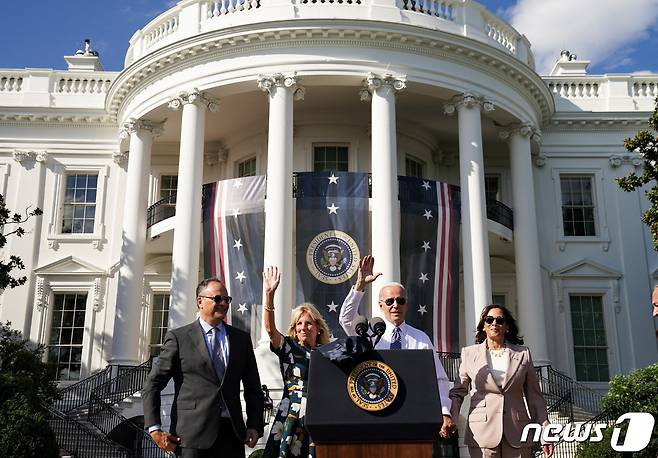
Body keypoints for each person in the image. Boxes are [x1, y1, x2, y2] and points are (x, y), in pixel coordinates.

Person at [143, 277, 264, 457]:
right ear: (200, 301)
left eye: (226, 299)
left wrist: (255, 424)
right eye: (217, 299)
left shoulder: (241, 339)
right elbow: (153, 384)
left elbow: (253, 387)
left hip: (232, 435)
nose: (223, 303)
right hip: (192, 437)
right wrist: (154, 428)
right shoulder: (179, 338)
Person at [338, 255, 454, 432]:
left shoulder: (420, 338)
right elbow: (346, 319)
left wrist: (445, 411)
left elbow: (438, 378)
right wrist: (360, 285)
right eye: (389, 301)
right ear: (381, 305)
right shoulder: (368, 333)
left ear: (406, 305)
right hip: (375, 409)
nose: (395, 305)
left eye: (400, 301)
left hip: (413, 411)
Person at [444, 304, 553, 458]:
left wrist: (545, 433)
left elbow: (535, 398)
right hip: (481, 433)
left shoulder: (523, 354)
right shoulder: (469, 354)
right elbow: (457, 392)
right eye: (489, 320)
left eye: (500, 320)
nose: (494, 323)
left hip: (518, 431)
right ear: (483, 326)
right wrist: (452, 417)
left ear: (506, 326)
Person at [262, 266, 331, 458]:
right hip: (291, 415)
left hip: (319, 414)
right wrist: (269, 295)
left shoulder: (327, 354)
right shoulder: (289, 347)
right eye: (299, 323)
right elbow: (269, 329)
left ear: (318, 328)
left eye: (308, 323)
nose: (303, 328)